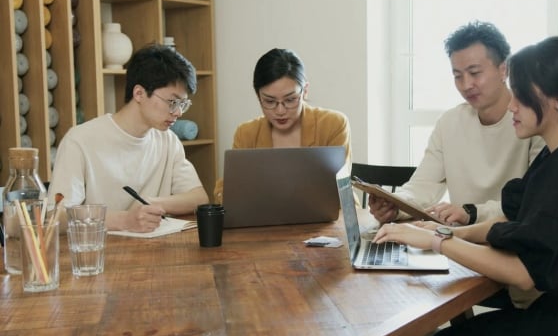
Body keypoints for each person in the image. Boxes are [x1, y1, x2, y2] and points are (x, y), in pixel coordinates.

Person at [372, 36, 558, 336]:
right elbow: (513, 219)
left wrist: (438, 241)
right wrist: (443, 231)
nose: (512, 106)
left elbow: (524, 273)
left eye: (521, 96)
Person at [369, 21, 544, 309]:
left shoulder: (532, 121)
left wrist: (469, 213)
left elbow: (529, 206)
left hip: (516, 257)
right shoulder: (450, 123)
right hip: (461, 248)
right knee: (402, 298)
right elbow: (423, 185)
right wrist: (395, 205)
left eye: (475, 73)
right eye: (457, 75)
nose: (466, 85)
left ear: (504, 69)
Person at [48, 44, 209, 233]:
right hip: (96, 255)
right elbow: (56, 216)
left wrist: (152, 202)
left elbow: (199, 198)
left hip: (155, 252)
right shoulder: (80, 140)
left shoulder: (168, 141)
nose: (179, 112)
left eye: (183, 104)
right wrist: (125, 220)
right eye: (173, 102)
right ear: (139, 93)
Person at [213, 48, 351, 203]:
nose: (280, 111)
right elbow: (225, 189)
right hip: (265, 220)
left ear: (305, 91)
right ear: (258, 96)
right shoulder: (246, 133)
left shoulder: (333, 125)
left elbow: (342, 191)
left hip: (328, 222)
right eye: (270, 101)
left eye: (290, 99)